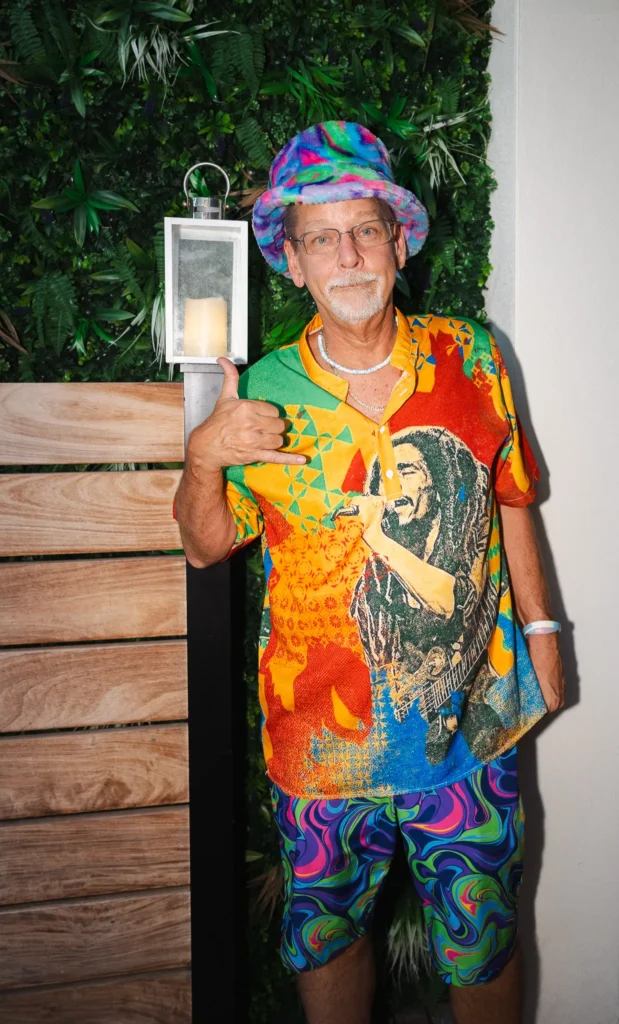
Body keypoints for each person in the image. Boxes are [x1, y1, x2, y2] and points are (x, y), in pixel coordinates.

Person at [174, 121, 565, 1024]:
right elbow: (203, 546)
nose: (347, 256)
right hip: (321, 747)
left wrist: (544, 634)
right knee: (329, 940)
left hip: (470, 732)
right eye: (321, 239)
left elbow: (511, 495)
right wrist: (202, 461)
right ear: (293, 263)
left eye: (363, 231)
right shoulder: (260, 391)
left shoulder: (470, 357)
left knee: (483, 942)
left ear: (398, 242)